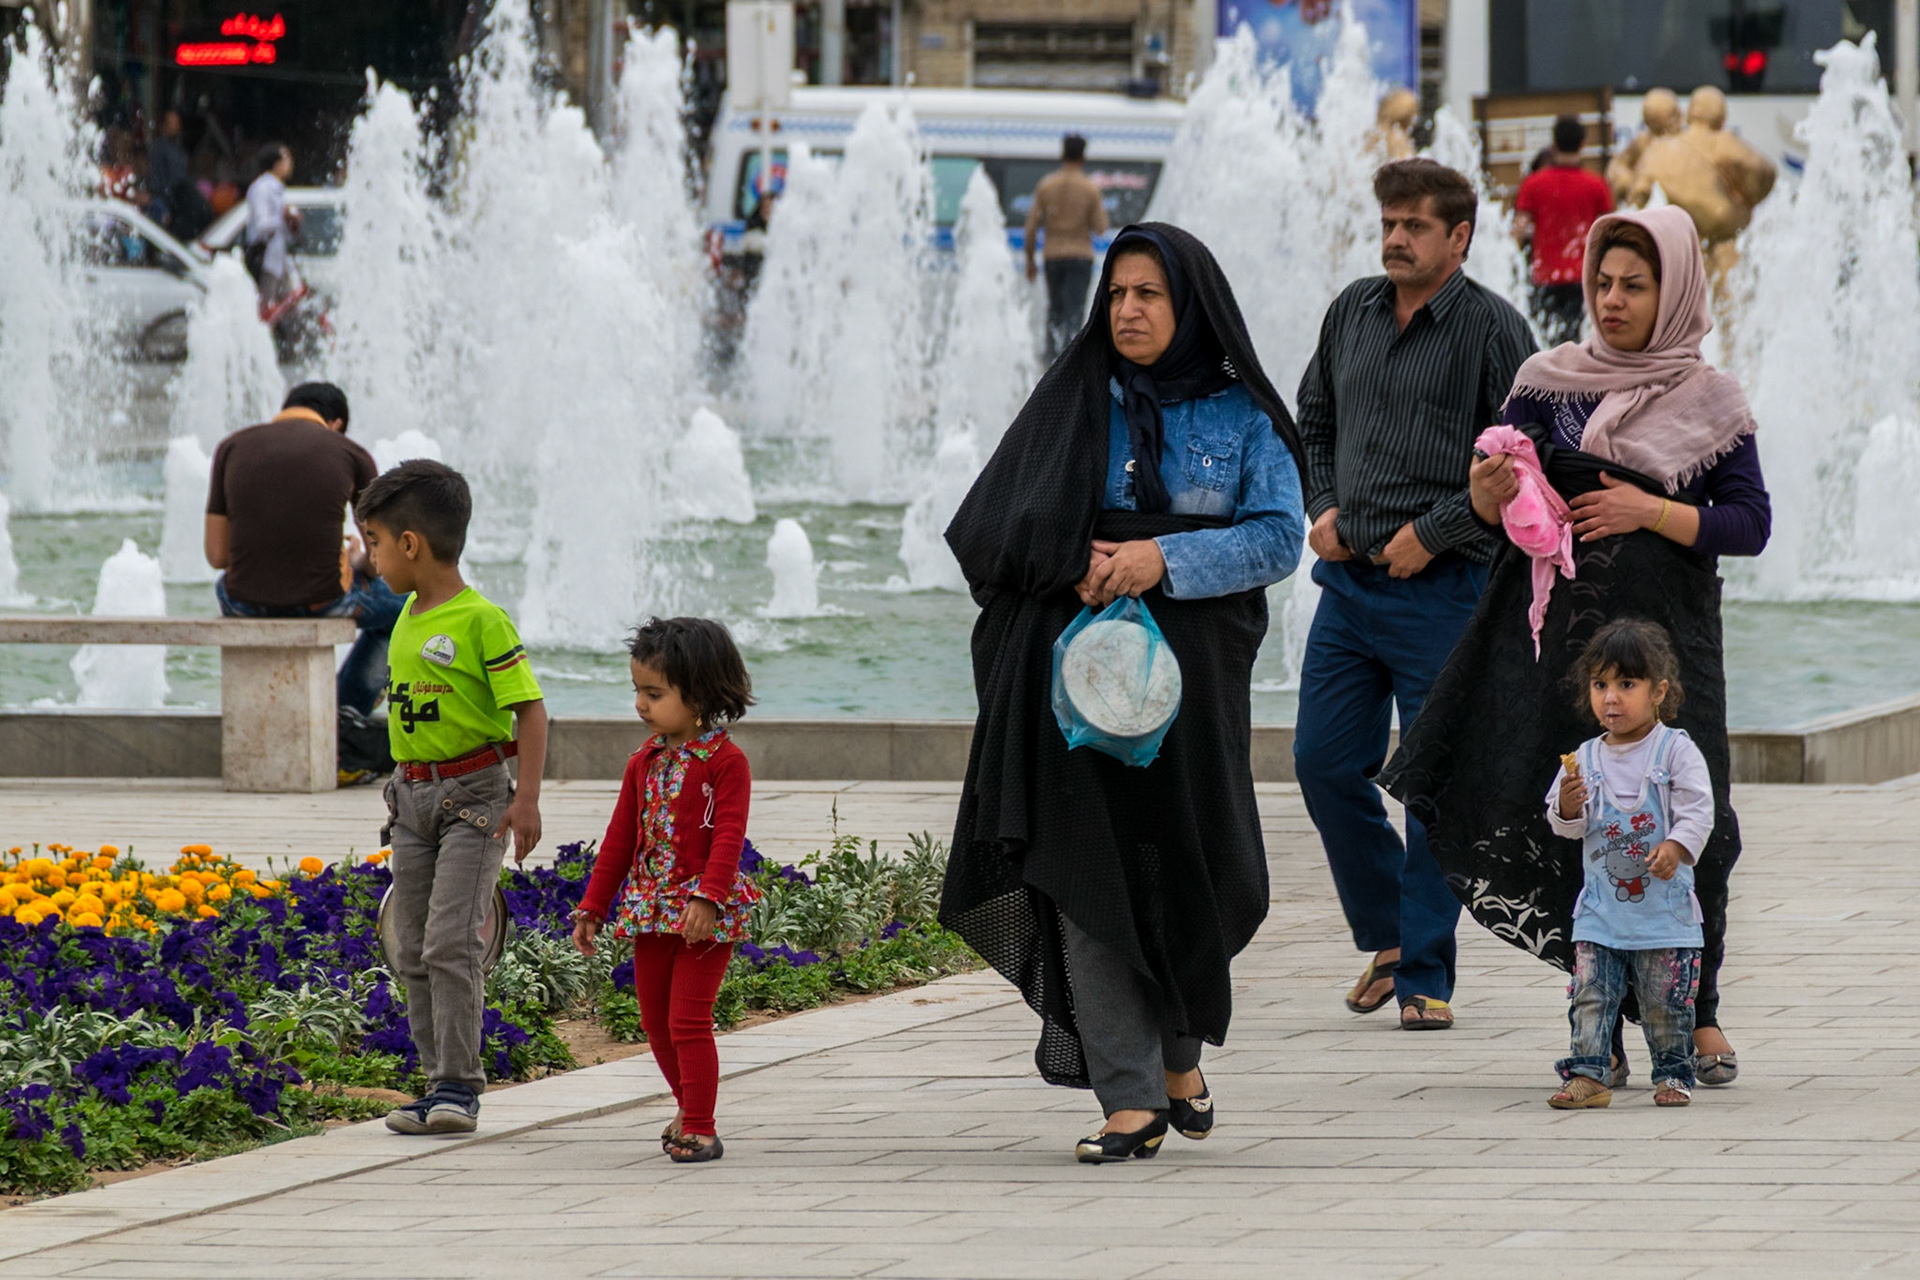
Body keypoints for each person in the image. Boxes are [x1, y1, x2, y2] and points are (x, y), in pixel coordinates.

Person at [1382, 206, 1771, 1088]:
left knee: (1690, 812)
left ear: (1674, 291)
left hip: (1672, 654)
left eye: (1636, 285)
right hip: (1562, 651)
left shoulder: (1713, 402)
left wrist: (1650, 512)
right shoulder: (1546, 382)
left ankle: (1697, 1008)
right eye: (1602, 282)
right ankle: (1603, 1027)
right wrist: (1484, 496)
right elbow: (1500, 504)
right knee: (1583, 820)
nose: (1613, 299)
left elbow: (1750, 523)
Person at [942, 223, 1305, 1163]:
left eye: (1150, 294)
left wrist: (1161, 558)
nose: (1130, 311)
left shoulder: (1240, 417)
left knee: (1192, 869)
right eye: (1117, 294)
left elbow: (1276, 539)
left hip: (1193, 684)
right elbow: (998, 530)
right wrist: (1079, 564)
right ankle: (1130, 1096)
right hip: (1076, 677)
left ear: (1193, 308)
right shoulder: (1075, 403)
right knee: (1086, 876)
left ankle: (1179, 1053)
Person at [1292, 159, 1536, 1031]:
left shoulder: (1495, 330)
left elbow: (1521, 465)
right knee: (1321, 763)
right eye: (1389, 222)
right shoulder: (1350, 310)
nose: (1396, 238)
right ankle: (1391, 937)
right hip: (1347, 588)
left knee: (1430, 783)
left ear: (1459, 237)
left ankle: (1426, 971)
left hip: (1447, 592)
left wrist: (1433, 533)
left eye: (1415, 226)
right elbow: (1312, 418)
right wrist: (1320, 504)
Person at [362, 460, 548, 1135]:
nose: (369, 557)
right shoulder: (408, 615)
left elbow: (529, 710)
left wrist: (524, 800)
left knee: (449, 941)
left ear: (410, 544)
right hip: (411, 800)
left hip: (473, 799)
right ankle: (434, 1078)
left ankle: (460, 1085)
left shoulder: (481, 620)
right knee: (410, 945)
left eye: (375, 542)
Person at [571, 617, 761, 1165]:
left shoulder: (727, 762)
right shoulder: (644, 761)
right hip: (651, 908)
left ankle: (700, 1126)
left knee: (688, 1020)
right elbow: (619, 838)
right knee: (654, 1022)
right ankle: (686, 1105)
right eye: (637, 691)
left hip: (705, 913)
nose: (640, 704)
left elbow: (729, 834)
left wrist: (709, 896)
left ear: (698, 694)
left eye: (654, 693)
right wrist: (593, 907)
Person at [1542, 619, 1711, 1110]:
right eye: (1600, 685)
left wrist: (1677, 847)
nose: (1611, 698)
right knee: (1590, 995)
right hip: (1599, 912)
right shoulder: (1584, 758)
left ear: (1659, 691)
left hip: (1664, 915)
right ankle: (1589, 1073)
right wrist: (1569, 807)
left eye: (1626, 684)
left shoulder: (1674, 749)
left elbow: (1699, 808)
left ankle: (1674, 1073)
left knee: (1666, 1003)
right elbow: (1564, 824)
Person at [204, 382, 404, 717]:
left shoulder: (230, 447)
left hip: (243, 603)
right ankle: (345, 716)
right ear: (337, 423)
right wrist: (356, 561)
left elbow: (217, 556)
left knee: (227, 582)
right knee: (404, 608)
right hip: (323, 601)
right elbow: (381, 557)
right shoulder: (351, 453)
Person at [1512, 114, 1614, 345]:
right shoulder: (1597, 185)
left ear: (1554, 143)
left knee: (1545, 341)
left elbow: (1519, 229)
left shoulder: (1533, 184)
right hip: (1583, 276)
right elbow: (1609, 230)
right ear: (1582, 143)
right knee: (1576, 340)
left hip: (1544, 275)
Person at [1024, 134, 1109, 360]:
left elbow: (1031, 227)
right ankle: (1073, 359)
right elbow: (1100, 227)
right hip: (1080, 254)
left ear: (1062, 154)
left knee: (1055, 309)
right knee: (1075, 311)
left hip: (1052, 255)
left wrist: (1030, 260)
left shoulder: (1046, 185)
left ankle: (1051, 360)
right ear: (1083, 156)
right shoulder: (1089, 188)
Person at [244, 142, 299, 309]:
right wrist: (283, 218)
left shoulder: (277, 189)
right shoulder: (261, 188)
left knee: (289, 308)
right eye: (286, 158)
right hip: (266, 260)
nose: (290, 163)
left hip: (279, 260)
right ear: (276, 164)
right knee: (266, 310)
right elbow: (261, 225)